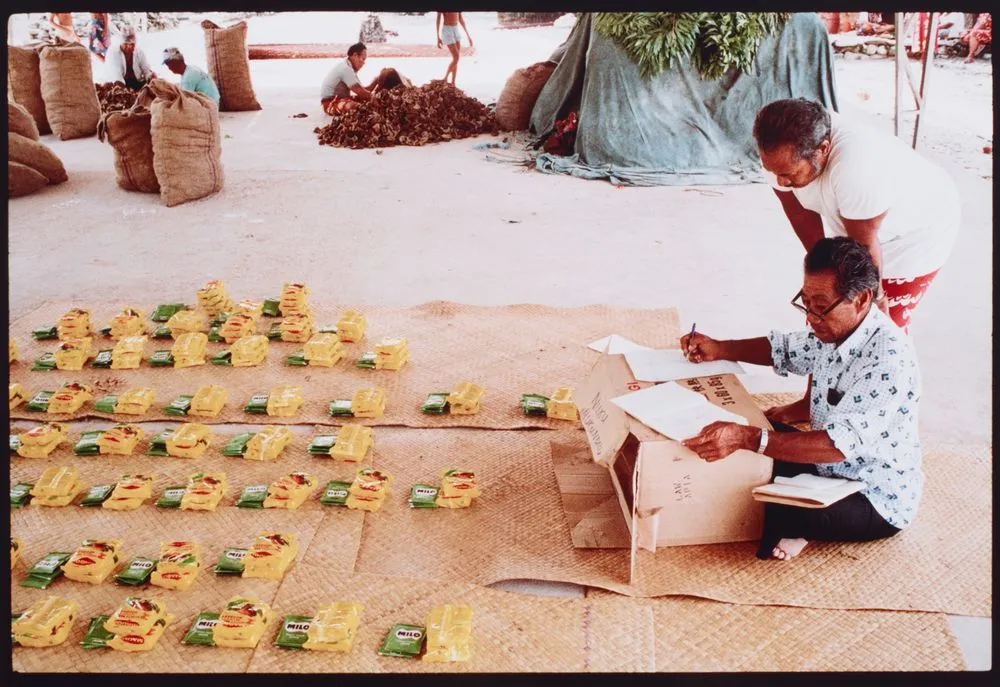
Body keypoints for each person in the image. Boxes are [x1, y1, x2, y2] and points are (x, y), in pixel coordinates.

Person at [680, 237, 922, 561]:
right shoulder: (833, 328)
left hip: (871, 494)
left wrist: (749, 439)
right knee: (754, 431)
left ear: (862, 299)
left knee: (772, 506)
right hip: (825, 469)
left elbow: (836, 447)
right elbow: (784, 349)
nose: (810, 318)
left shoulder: (888, 359)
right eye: (805, 303)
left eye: (820, 307)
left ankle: (800, 524)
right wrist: (720, 347)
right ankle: (793, 504)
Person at [752, 98, 960, 335]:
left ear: (823, 149)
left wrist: (876, 301)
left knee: (875, 330)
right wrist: (823, 272)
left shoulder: (856, 167)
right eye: (774, 172)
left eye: (789, 174)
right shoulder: (778, 153)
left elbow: (864, 246)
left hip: (916, 231)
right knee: (826, 317)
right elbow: (800, 215)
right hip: (856, 218)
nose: (781, 182)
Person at [319, 42, 407, 116]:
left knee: (363, 102)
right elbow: (361, 92)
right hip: (330, 102)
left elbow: (363, 90)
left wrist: (377, 79)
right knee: (352, 106)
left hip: (343, 98)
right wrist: (377, 101)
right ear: (355, 55)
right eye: (363, 59)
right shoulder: (346, 69)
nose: (363, 63)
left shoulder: (348, 66)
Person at [106, 24, 155, 90]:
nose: (130, 47)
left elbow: (146, 69)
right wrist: (122, 91)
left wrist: (150, 77)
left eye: (132, 44)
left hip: (137, 82)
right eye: (126, 44)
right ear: (121, 42)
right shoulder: (113, 53)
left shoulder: (139, 52)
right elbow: (117, 76)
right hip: (120, 84)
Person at [436, 12, 473, 85]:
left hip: (456, 29)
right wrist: (438, 37)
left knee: (456, 59)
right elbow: (438, 19)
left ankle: (453, 83)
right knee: (456, 57)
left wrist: (468, 36)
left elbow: (461, 19)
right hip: (447, 30)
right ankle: (445, 78)